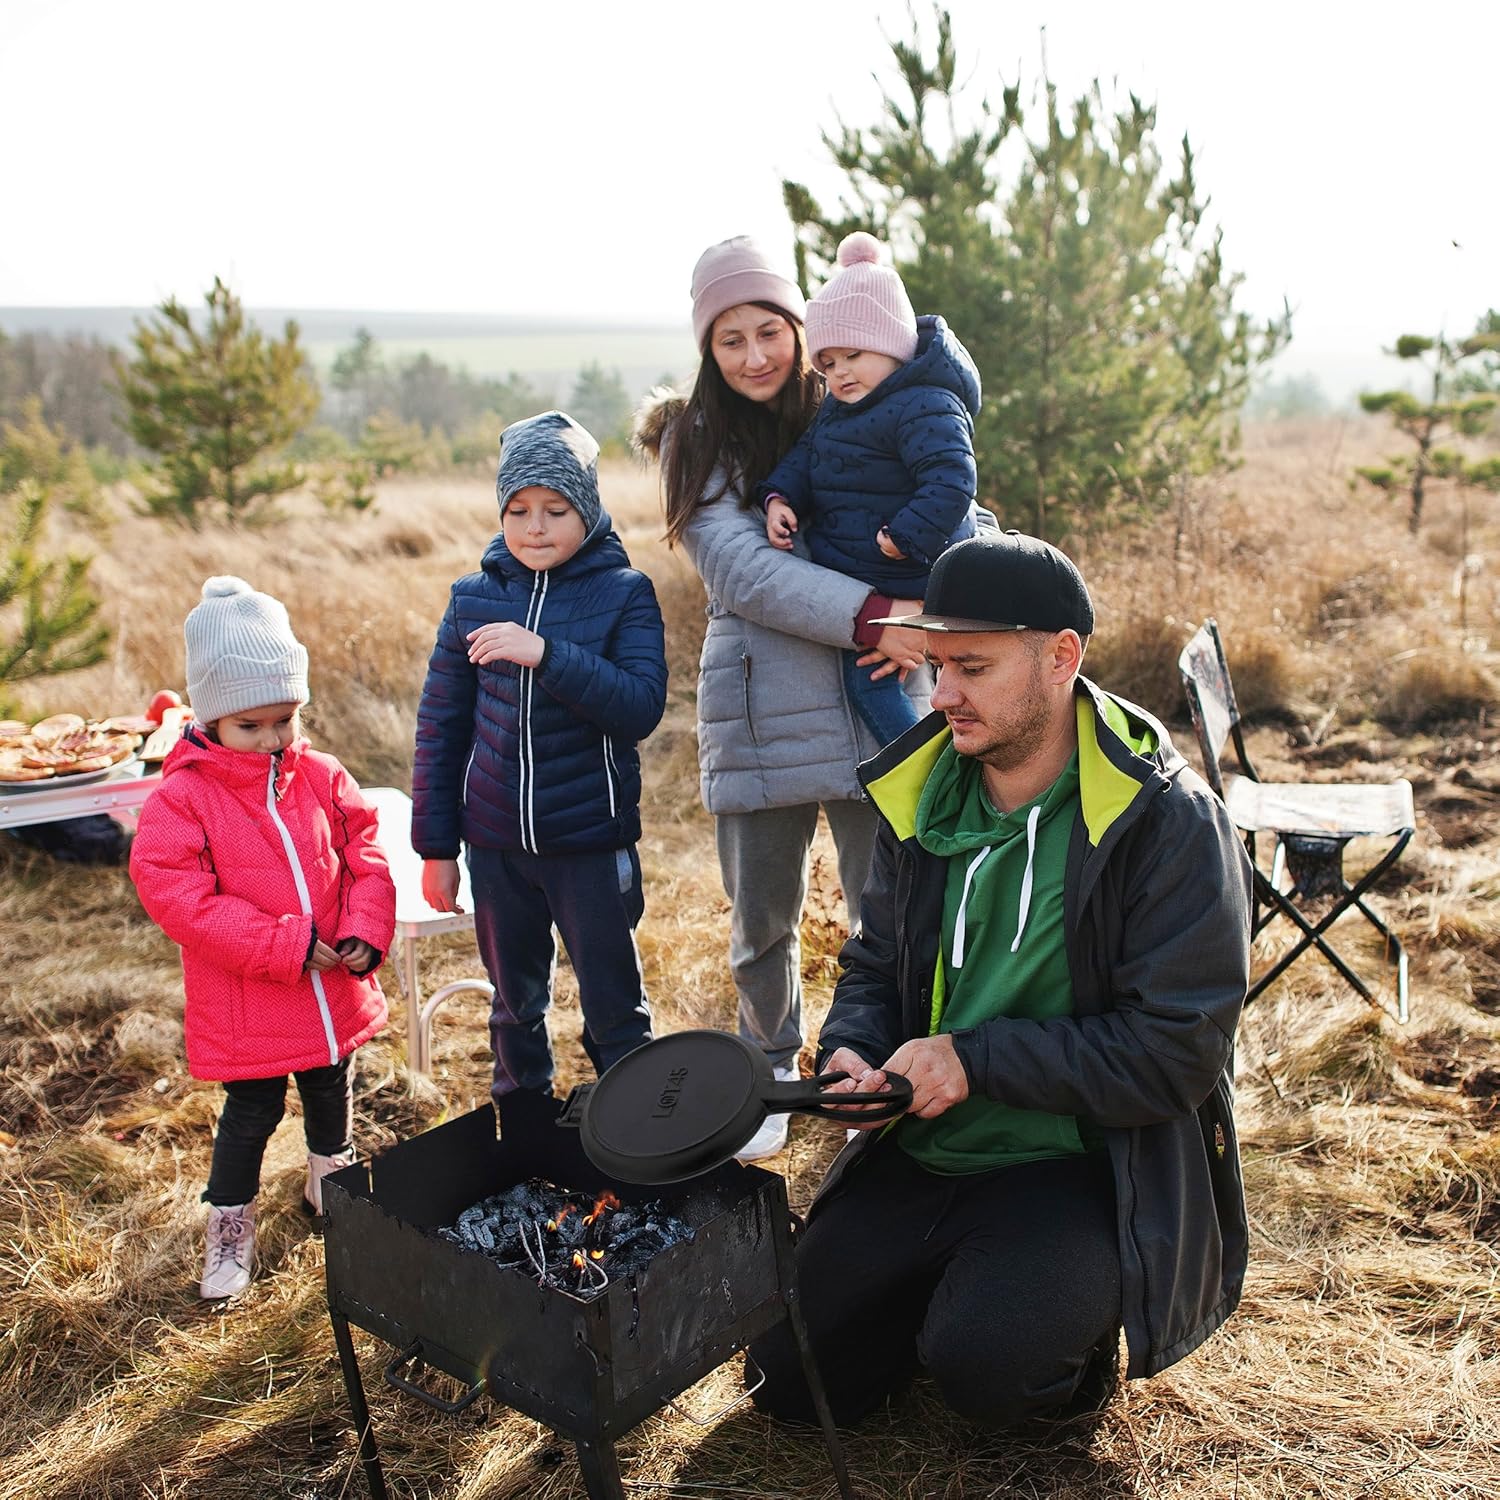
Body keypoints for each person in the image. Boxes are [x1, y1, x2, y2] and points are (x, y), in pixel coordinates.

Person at [748, 530, 1254, 1427]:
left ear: (1062, 658)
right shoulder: (925, 792)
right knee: (785, 1387)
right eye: (936, 665)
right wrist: (856, 1049)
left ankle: (1039, 1324)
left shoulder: (1165, 821)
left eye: (971, 668)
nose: (940, 695)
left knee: (991, 1377)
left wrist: (972, 1060)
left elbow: (1176, 1054)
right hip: (919, 1146)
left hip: (1075, 1164)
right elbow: (873, 962)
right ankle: (935, 1291)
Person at [632, 233, 933, 1161]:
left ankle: (872, 1071)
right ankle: (767, 1071)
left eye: (771, 330)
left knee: (886, 907)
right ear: (707, 350)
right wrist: (885, 614)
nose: (756, 354)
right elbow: (749, 575)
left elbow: (938, 481)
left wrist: (955, 592)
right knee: (762, 916)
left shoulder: (853, 395)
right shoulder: (697, 438)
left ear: (801, 330)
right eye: (732, 339)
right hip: (762, 709)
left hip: (870, 700)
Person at [130, 577, 396, 1300]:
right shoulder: (183, 798)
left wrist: (364, 928)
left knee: (331, 1082)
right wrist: (280, 943)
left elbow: (364, 855)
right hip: (249, 995)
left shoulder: (319, 775)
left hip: (329, 987)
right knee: (252, 1111)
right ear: (211, 720)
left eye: (285, 719)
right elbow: (176, 895)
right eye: (252, 725)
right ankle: (230, 1226)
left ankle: (329, 1181)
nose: (274, 738)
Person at [412, 410, 666, 1106]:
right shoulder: (472, 600)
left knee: (615, 1008)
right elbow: (439, 727)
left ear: (587, 509)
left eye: (556, 509)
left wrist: (547, 654)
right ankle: (523, 1129)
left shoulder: (624, 595)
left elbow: (640, 705)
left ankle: (637, 1132)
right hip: (495, 850)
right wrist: (437, 847)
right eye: (518, 509)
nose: (535, 526)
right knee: (513, 1007)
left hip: (589, 845)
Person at [760, 231, 981, 746]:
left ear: (892, 345)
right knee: (884, 682)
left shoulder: (926, 402)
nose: (839, 374)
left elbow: (952, 480)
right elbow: (809, 456)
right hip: (869, 579)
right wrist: (779, 498)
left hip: (914, 572)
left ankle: (926, 777)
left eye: (854, 355)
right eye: (828, 363)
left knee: (877, 684)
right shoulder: (840, 407)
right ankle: (931, 770)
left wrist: (908, 535)